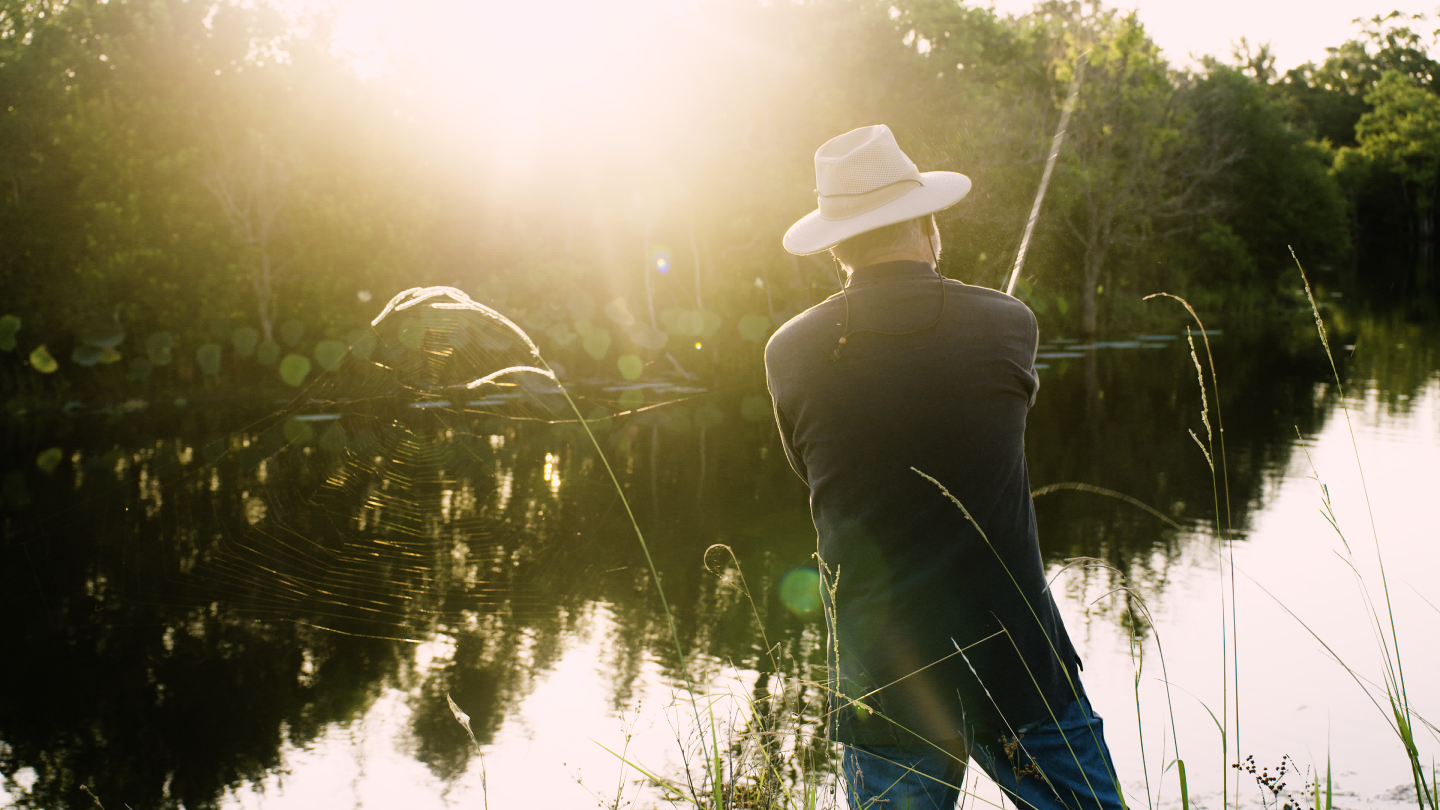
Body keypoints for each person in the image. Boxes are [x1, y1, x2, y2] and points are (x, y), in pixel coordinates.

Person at [764, 124, 1125, 810]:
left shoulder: (788, 351)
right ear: (927, 221)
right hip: (1017, 664)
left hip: (887, 673)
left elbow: (811, 474)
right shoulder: (1010, 323)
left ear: (836, 244)